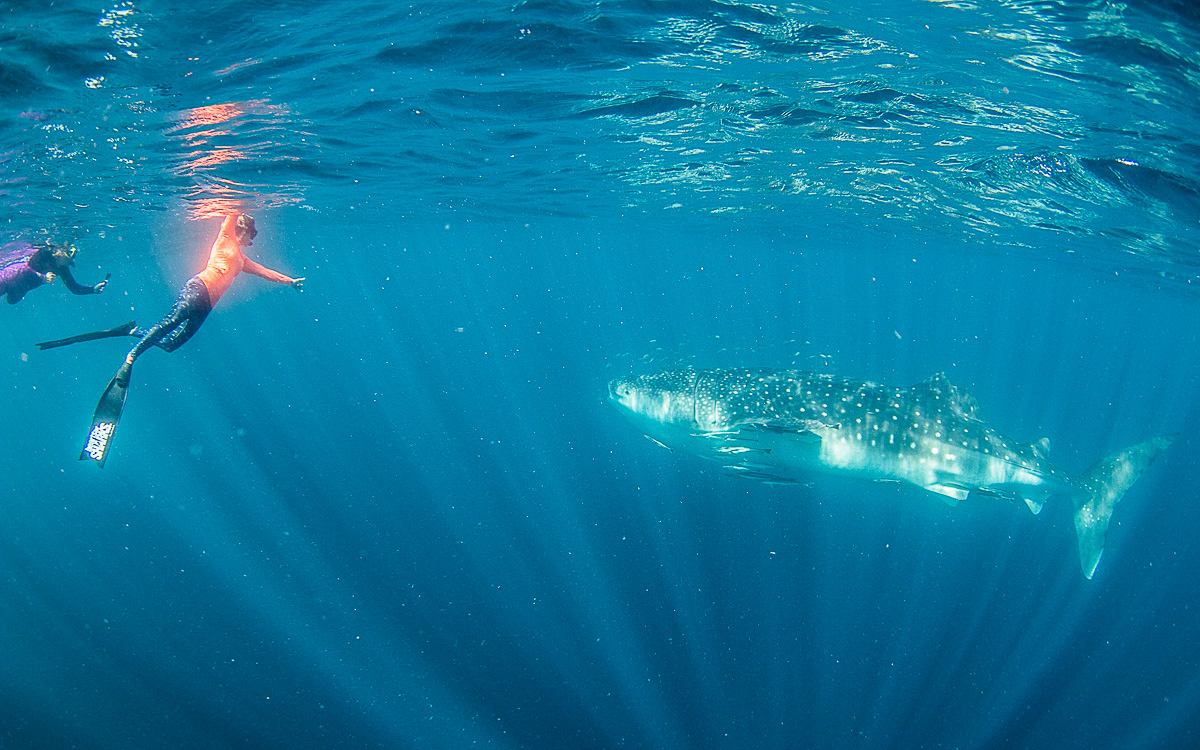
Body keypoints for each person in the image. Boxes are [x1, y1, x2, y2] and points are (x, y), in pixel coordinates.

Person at [36, 214, 304, 465]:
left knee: (170, 344)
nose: (252, 241)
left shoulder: (243, 261)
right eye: (251, 235)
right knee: (168, 324)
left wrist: (289, 281)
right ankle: (132, 355)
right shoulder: (225, 238)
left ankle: (133, 331)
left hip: (206, 306)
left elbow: (266, 272)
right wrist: (233, 179)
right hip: (197, 289)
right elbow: (231, 210)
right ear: (242, 229)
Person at [0, 240, 109, 304]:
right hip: (10, 278)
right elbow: (23, 271)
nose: (70, 260)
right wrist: (42, 278)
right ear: (59, 251)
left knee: (12, 300)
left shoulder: (62, 268)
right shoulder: (45, 253)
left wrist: (93, 289)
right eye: (69, 255)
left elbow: (75, 288)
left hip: (19, 289)